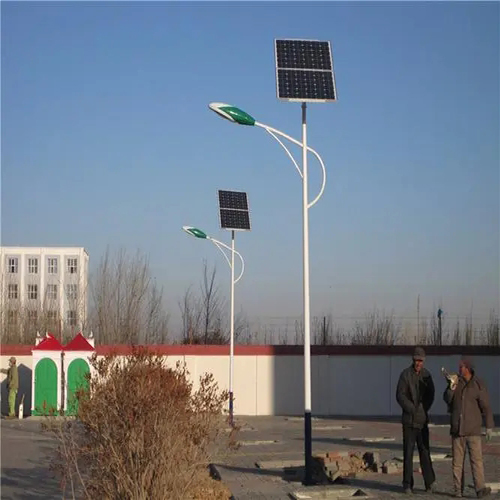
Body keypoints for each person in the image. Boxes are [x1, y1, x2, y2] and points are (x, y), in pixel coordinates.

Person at [443, 357, 494, 499]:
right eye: (459, 366)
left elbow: (486, 407)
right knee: (457, 463)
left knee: (476, 461)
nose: (459, 369)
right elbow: (447, 399)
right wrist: (451, 387)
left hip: (473, 430)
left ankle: (480, 489)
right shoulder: (455, 381)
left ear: (468, 368)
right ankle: (458, 490)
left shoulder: (478, 384)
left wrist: (489, 426)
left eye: (462, 366)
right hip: (457, 430)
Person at [396, 346, 436, 494]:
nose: (418, 363)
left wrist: (423, 409)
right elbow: (400, 395)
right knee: (408, 453)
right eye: (416, 360)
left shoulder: (427, 375)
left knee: (425, 451)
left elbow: (431, 394)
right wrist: (412, 409)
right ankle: (407, 484)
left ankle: (429, 482)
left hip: (422, 420)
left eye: (421, 360)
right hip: (409, 421)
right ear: (413, 360)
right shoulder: (405, 375)